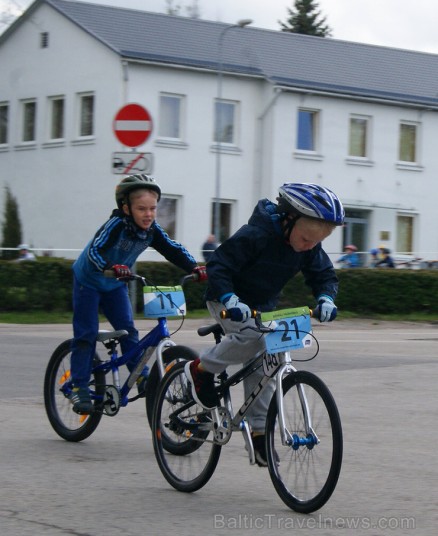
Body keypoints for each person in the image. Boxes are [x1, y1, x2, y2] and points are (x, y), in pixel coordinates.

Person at [184, 182, 344, 467]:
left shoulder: (308, 245)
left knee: (269, 361)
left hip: (262, 307)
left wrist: (326, 298)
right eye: (306, 239)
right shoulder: (256, 234)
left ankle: (260, 432)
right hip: (225, 299)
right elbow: (219, 265)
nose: (309, 246)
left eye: (315, 243)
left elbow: (324, 275)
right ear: (289, 220)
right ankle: (201, 369)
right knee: (253, 338)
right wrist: (229, 298)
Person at [70, 174, 207, 414]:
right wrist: (109, 267)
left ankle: (140, 375)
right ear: (126, 208)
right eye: (141, 208)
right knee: (86, 334)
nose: (148, 214)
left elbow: (172, 249)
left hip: (114, 286)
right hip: (89, 282)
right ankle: (79, 387)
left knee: (129, 330)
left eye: (153, 208)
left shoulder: (151, 230)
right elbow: (94, 251)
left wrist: (194, 267)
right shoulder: (116, 225)